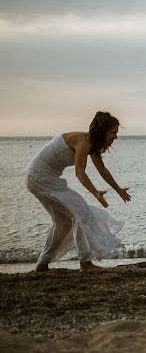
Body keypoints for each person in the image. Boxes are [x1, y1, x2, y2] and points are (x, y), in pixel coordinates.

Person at [25, 111, 132, 271]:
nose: (115, 137)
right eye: (113, 133)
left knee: (64, 223)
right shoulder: (83, 142)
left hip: (41, 178)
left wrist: (118, 190)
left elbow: (102, 169)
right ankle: (85, 263)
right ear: (103, 131)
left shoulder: (92, 146)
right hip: (40, 177)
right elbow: (80, 172)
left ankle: (42, 264)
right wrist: (95, 192)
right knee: (81, 212)